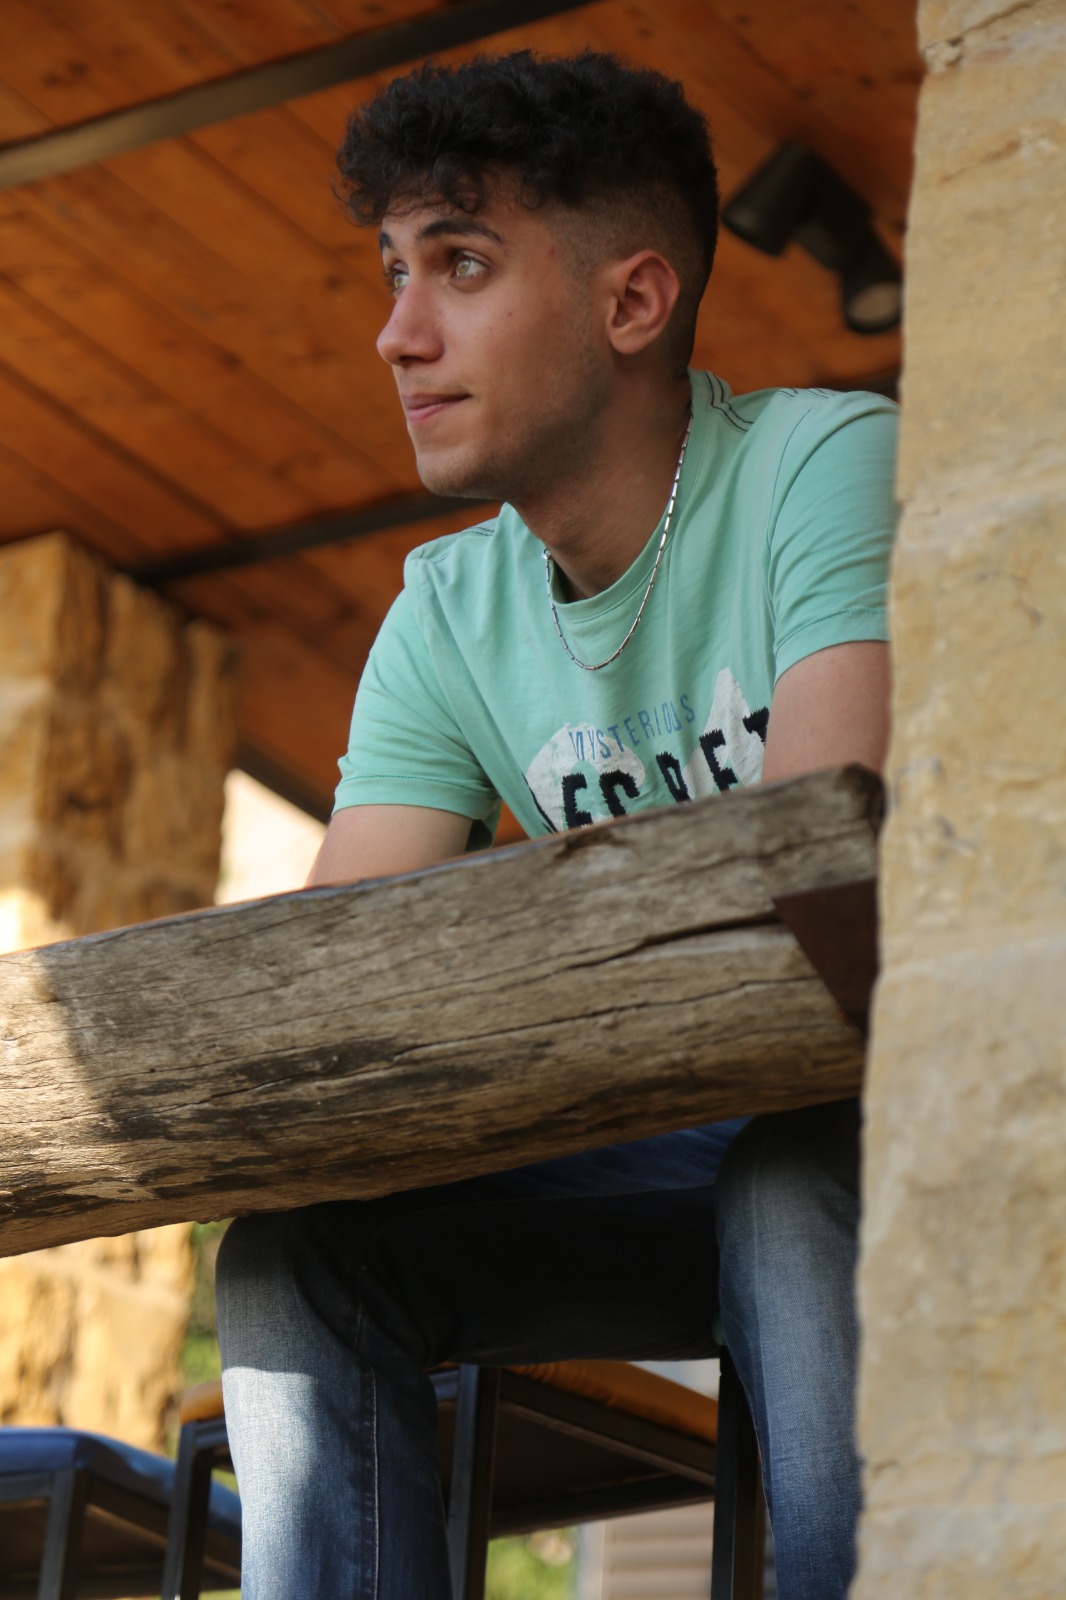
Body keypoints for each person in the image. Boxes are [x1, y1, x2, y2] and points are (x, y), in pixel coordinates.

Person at [216, 49, 897, 1600]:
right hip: (670, 1152)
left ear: (632, 301)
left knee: (787, 1173)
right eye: (393, 271)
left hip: (892, 1124)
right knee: (297, 1252)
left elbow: (817, 892)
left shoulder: (819, 467)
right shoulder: (446, 612)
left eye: (459, 264)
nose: (397, 331)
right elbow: (328, 997)